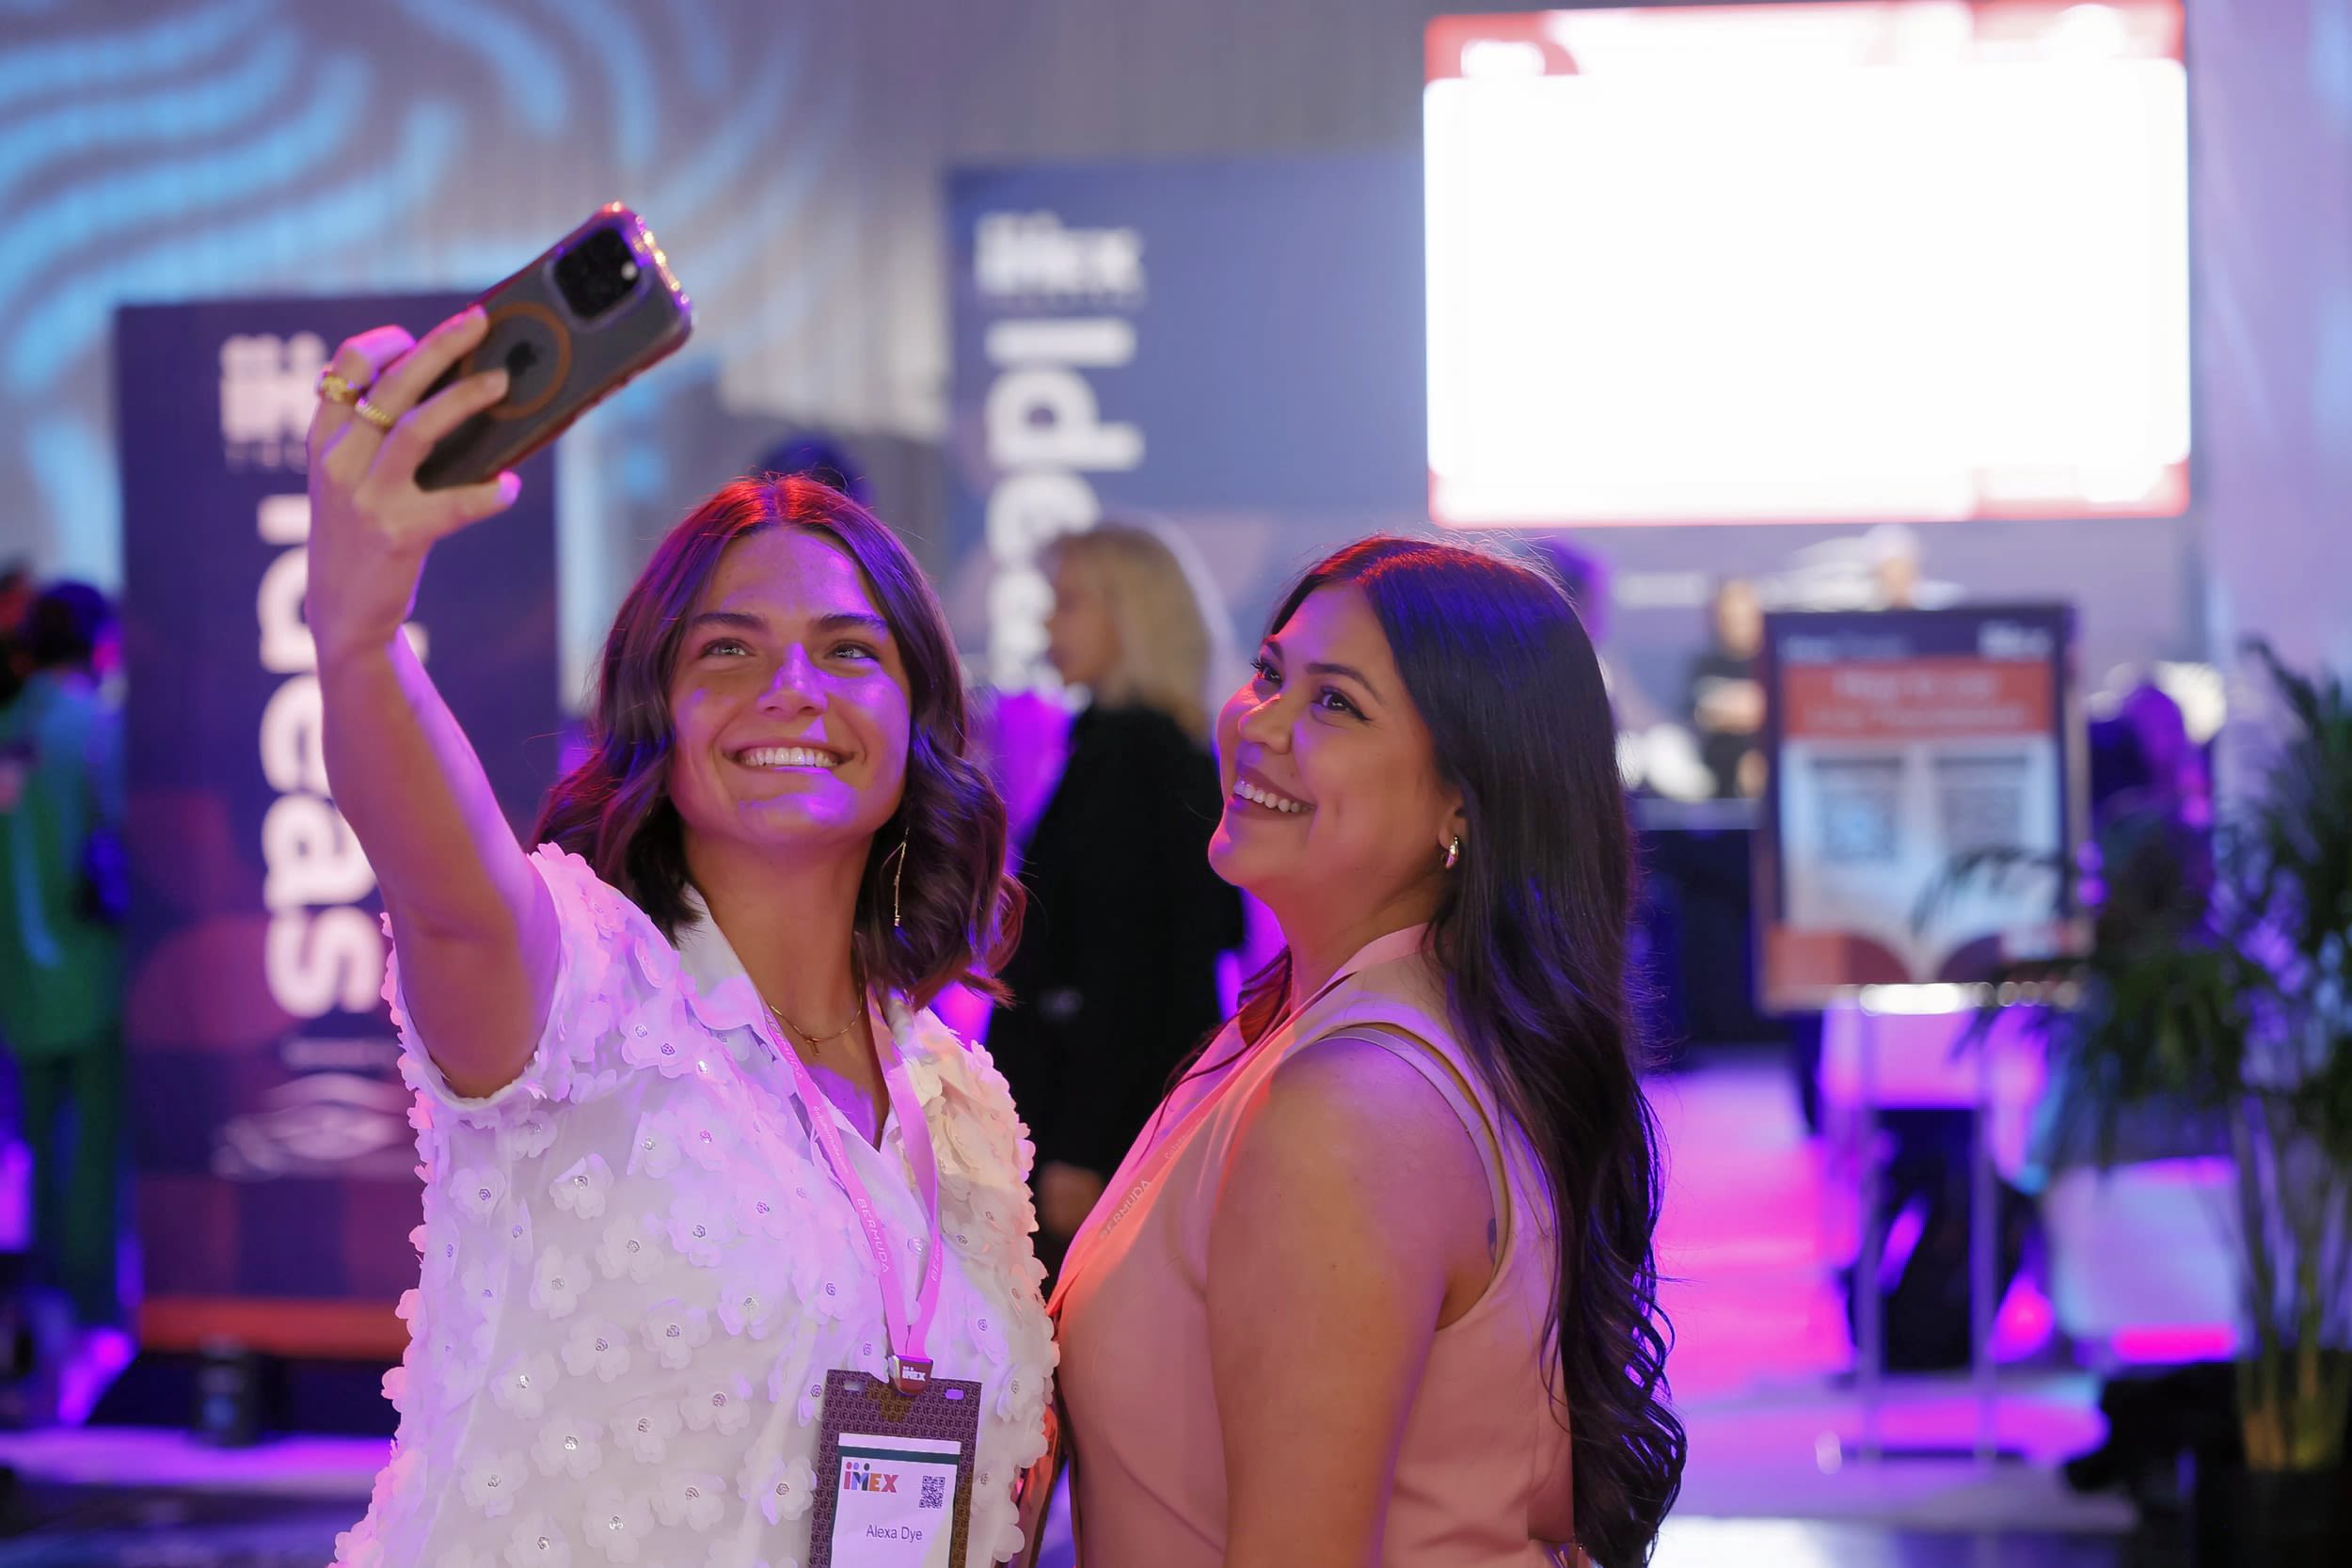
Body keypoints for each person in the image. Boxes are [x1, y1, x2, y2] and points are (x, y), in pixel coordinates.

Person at [307, 308, 1054, 1568]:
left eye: (848, 650)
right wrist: (358, 638)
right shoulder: (582, 984)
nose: (793, 689)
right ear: (657, 711)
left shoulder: (957, 1103)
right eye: (729, 650)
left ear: (916, 712)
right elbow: (448, 888)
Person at [1052, 538, 1685, 1568]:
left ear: (1463, 803)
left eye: (1335, 704)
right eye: (1269, 674)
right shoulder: (1351, 1032)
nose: (1258, 724)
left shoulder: (1353, 1100)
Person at [986, 525, 1244, 1281]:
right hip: (1103, 1123)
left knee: (1066, 1359)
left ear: (1129, 614)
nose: (1045, 624)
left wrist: (1082, 1146)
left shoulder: (1133, 762)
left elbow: (1127, 976)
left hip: (1092, 1135)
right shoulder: (1137, 750)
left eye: (1067, 602)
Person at [0, 582, 127, 1334]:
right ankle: (93, 1312)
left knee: (39, 1147)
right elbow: (122, 835)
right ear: (99, 646)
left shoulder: (9, 726)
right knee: (97, 1154)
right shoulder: (97, 729)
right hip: (94, 970)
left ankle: (38, 1316)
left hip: (16, 979)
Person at [1687, 578, 1767, 800]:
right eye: (1730, 618)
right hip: (1718, 772)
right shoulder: (1704, 664)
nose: (1738, 625)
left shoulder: (1772, 665)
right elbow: (1698, 714)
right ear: (1717, 619)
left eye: (1744, 618)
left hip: (1765, 762)